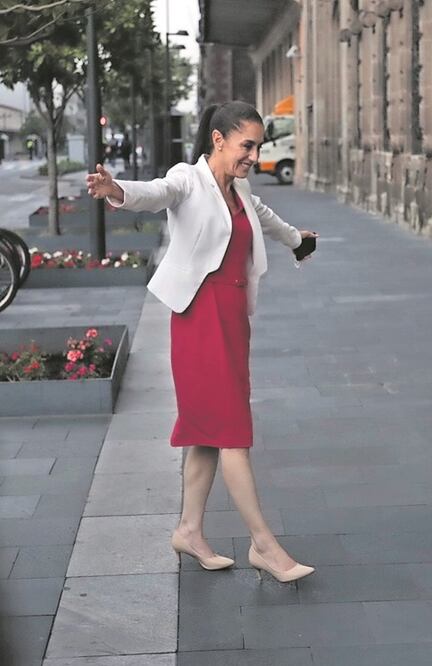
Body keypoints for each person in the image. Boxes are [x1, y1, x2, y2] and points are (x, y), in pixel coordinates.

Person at [85, 101, 318, 584]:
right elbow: (156, 192)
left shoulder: (241, 188)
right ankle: (264, 545)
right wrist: (117, 190)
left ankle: (189, 530)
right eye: (246, 145)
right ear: (218, 139)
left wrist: (297, 240)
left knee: (209, 432)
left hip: (231, 319)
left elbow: (266, 218)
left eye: (258, 146)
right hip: (199, 317)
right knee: (232, 433)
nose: (253, 155)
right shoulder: (187, 179)